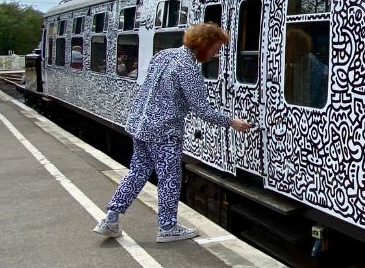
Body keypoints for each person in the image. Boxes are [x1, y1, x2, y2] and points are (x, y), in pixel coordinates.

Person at [93, 23, 253, 243]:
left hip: (140, 124)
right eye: (216, 47)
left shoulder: (164, 55)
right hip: (163, 131)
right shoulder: (188, 69)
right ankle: (167, 227)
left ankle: (110, 219)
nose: (217, 53)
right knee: (170, 178)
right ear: (203, 45)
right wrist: (231, 122)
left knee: (137, 172)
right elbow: (201, 109)